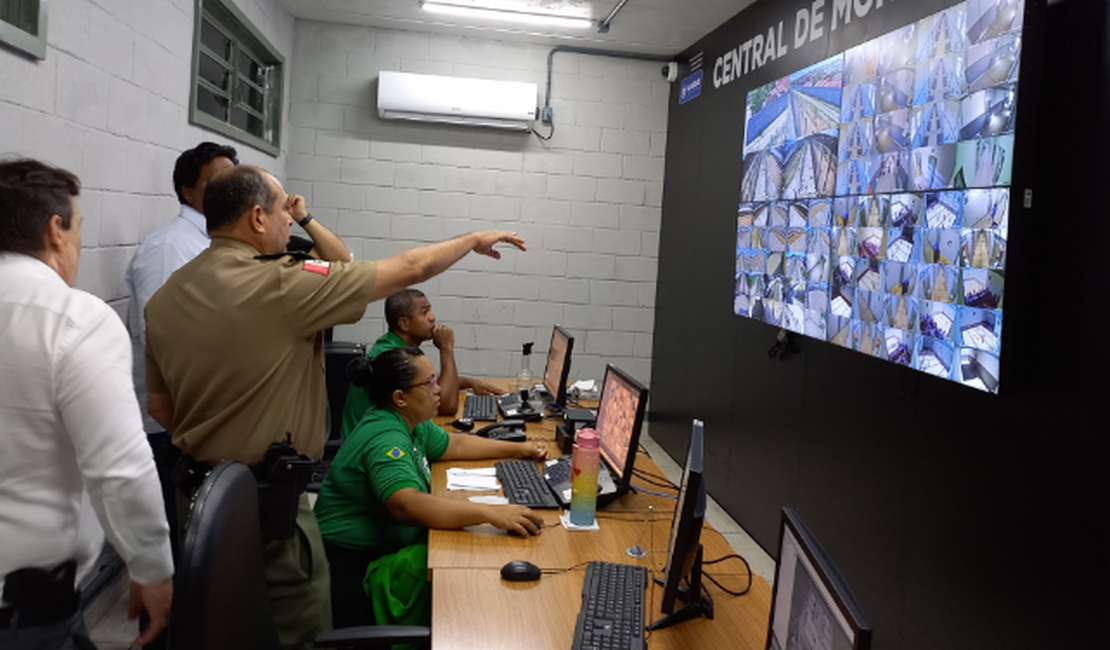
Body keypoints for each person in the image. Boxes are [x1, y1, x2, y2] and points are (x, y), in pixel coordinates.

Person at [143, 164, 527, 650]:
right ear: (258, 217)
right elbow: (407, 269)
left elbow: (161, 407)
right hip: (269, 506)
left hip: (198, 499)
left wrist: (223, 445)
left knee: (221, 625)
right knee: (302, 630)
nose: (290, 219)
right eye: (285, 210)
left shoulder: (164, 298)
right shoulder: (282, 285)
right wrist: (471, 238)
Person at [0, 158, 174, 649]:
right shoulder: (72, 320)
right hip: (25, 613)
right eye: (78, 227)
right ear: (56, 230)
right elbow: (118, 466)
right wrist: (152, 566)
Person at [315, 347, 547, 627]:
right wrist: (489, 513)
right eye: (429, 383)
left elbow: (457, 443)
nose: (439, 390)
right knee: (468, 581)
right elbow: (405, 504)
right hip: (355, 569)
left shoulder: (412, 422)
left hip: (384, 550)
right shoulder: (386, 436)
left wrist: (520, 449)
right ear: (400, 398)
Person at [341, 289, 499, 435]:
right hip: (371, 449)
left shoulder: (391, 346)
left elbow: (426, 379)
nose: (432, 317)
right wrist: (447, 349)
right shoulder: (392, 356)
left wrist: (470, 382)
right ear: (404, 323)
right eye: (424, 312)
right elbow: (447, 406)